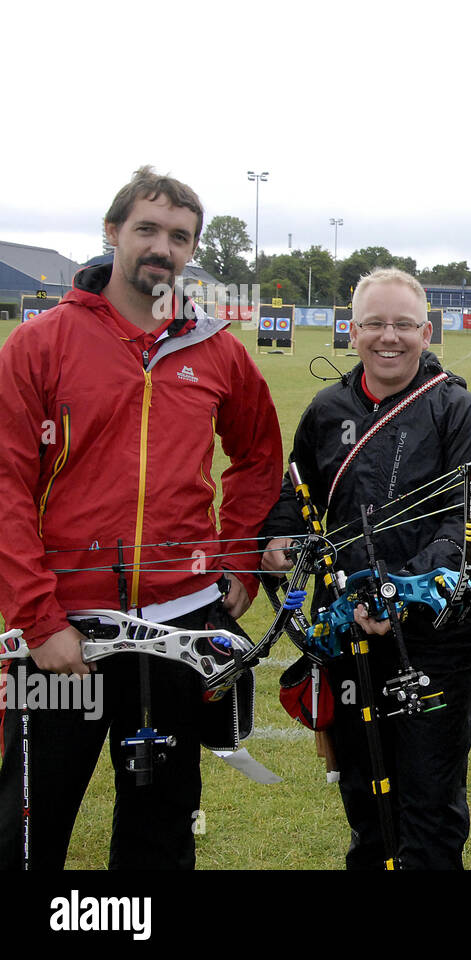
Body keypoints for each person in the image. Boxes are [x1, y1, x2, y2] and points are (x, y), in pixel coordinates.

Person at [0, 166, 283, 869]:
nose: (163, 248)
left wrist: (237, 557)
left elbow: (257, 457)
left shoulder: (217, 349)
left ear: (191, 252)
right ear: (112, 232)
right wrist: (39, 618)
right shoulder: (40, 345)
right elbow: (5, 485)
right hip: (61, 625)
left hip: (176, 624)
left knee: (159, 830)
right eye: (148, 229)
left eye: (179, 237)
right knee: (27, 832)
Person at [260, 267, 471, 870]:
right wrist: (281, 538)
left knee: (429, 807)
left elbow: (470, 526)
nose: (387, 337)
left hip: (433, 641)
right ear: (352, 330)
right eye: (373, 323)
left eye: (402, 324)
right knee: (365, 802)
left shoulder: (460, 412)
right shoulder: (326, 408)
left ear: (426, 331)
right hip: (345, 634)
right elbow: (298, 494)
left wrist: (392, 593)